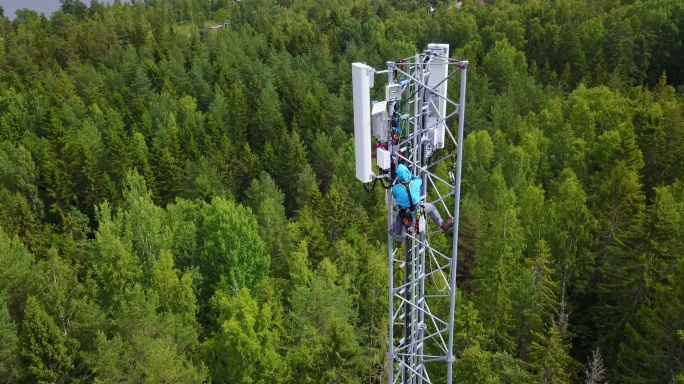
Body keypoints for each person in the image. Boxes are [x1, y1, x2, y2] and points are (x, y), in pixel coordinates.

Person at [391, 164, 453, 248]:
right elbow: (418, 179)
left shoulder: (396, 188)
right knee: (431, 207)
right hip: (418, 211)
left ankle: (399, 240)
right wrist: (410, 175)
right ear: (408, 174)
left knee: (399, 218)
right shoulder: (416, 183)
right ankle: (443, 225)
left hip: (405, 215)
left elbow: (394, 196)